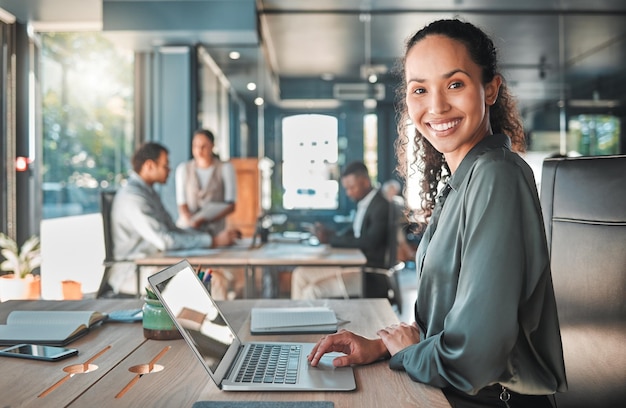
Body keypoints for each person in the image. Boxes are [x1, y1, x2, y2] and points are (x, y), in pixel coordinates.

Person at [307, 19, 567, 408]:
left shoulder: (497, 176)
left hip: (489, 400)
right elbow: (447, 321)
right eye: (420, 89)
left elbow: (477, 353)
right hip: (451, 390)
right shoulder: (461, 182)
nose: (436, 105)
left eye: (455, 84)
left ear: (491, 89)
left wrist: (407, 353)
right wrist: (382, 345)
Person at [108, 142, 240, 295]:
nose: (169, 170)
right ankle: (207, 319)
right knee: (214, 281)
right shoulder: (133, 197)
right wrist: (213, 241)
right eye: (165, 165)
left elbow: (172, 230)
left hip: (155, 264)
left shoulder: (149, 193)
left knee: (221, 275)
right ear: (149, 165)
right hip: (135, 272)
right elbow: (165, 241)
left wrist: (206, 236)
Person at [290, 161, 391, 299]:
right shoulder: (365, 203)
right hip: (352, 266)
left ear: (366, 182)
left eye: (351, 187)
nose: (348, 193)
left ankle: (308, 320)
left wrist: (332, 239)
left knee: (312, 291)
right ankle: (297, 319)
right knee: (300, 275)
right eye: (346, 188)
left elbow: (369, 242)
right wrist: (332, 234)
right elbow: (355, 230)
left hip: (367, 274)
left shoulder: (381, 206)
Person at [175, 129, 237, 235]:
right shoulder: (183, 169)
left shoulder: (225, 168)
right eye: (195, 146)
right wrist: (191, 221)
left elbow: (230, 205)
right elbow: (182, 204)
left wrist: (204, 220)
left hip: (216, 229)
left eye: (204, 146)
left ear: (212, 146)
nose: (199, 150)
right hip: (189, 227)